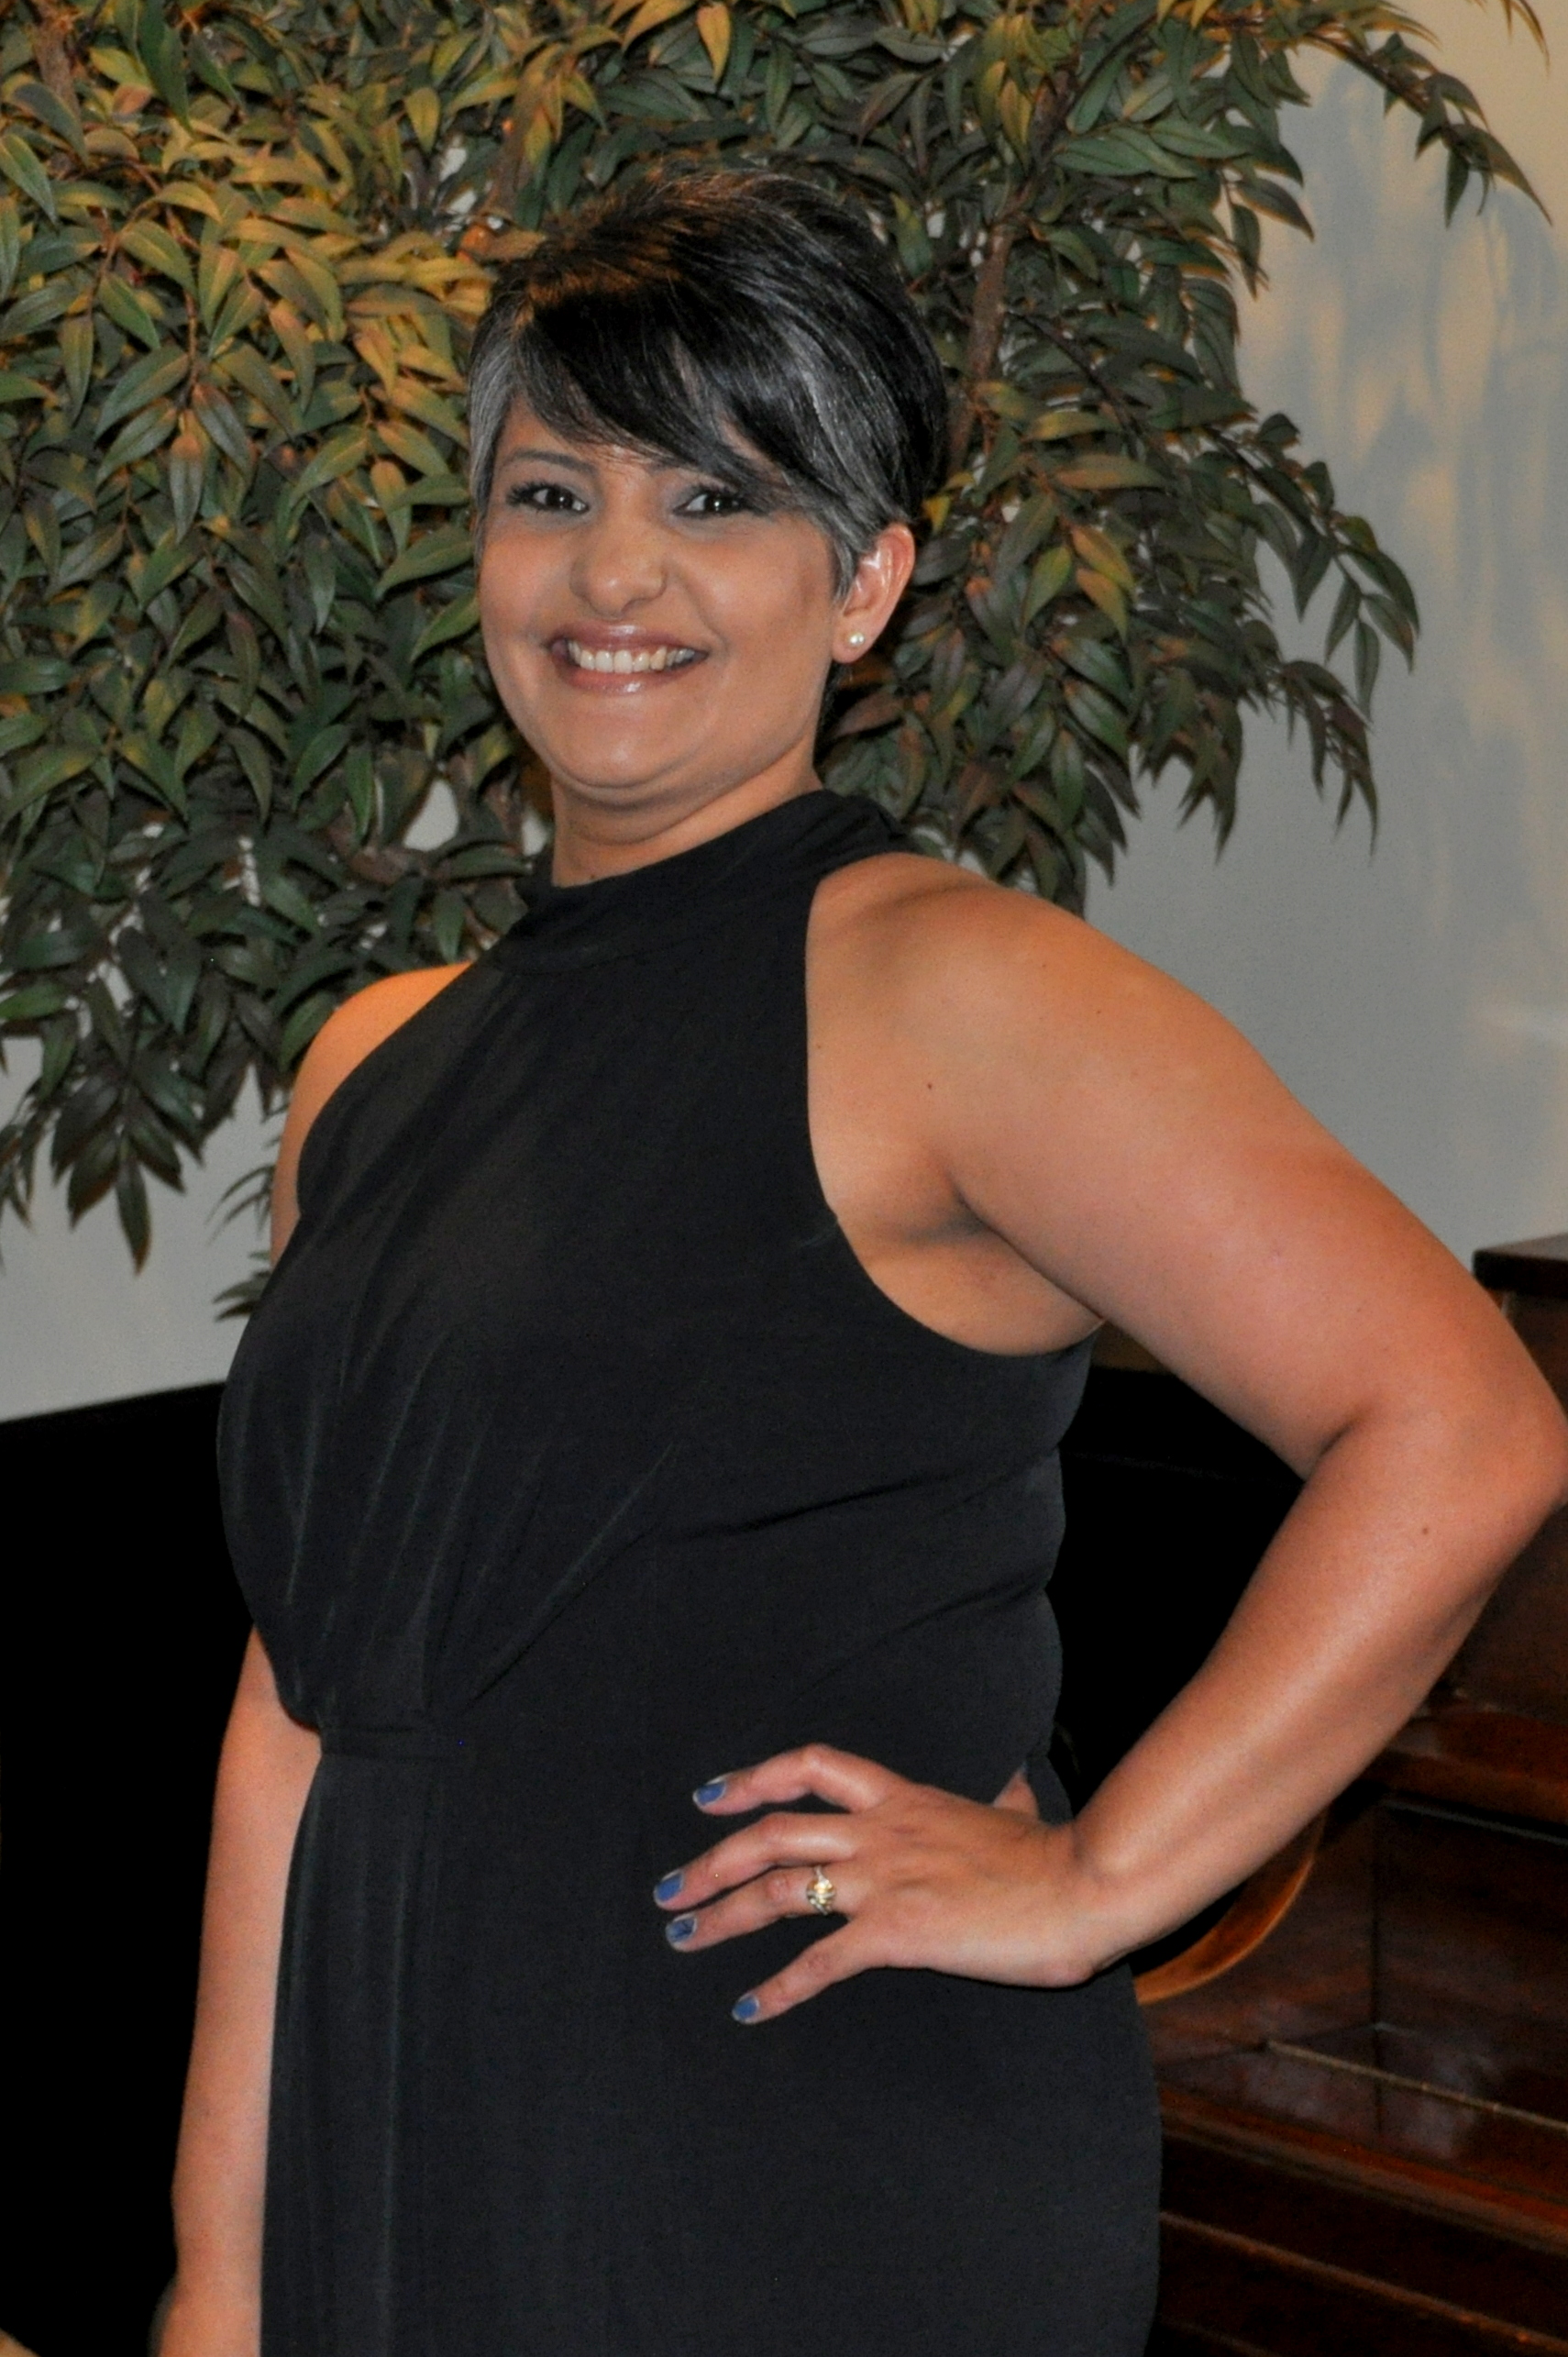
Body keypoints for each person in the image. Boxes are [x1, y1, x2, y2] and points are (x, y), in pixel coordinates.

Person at [162, 170, 1568, 2357]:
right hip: (410, 2119)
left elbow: (1464, 1422)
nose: (615, 570)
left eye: (715, 498)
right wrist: (222, 2273)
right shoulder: (372, 1064)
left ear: (867, 582)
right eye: (554, 492)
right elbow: (300, 1701)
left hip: (796, 2152)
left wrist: (1098, 1880)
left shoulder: (953, 991)